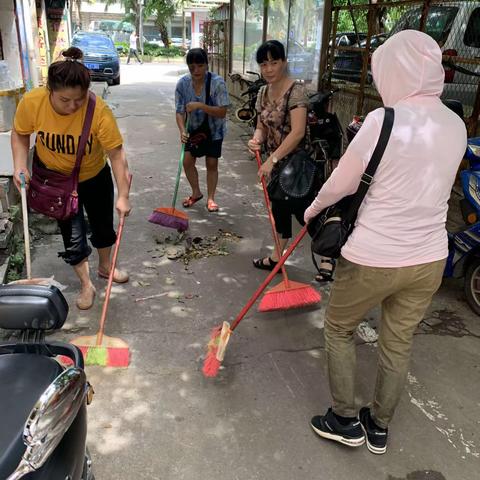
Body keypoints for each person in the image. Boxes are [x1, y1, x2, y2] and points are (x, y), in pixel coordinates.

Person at [304, 30, 467, 454]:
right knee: (398, 341)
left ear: (397, 70)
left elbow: (342, 182)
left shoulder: (383, 120)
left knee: (339, 328)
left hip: (373, 257)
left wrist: (312, 209)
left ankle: (342, 418)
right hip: (429, 257)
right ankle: (378, 426)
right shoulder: (456, 122)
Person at [11, 47, 132, 310]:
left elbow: (116, 153)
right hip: (56, 180)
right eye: (65, 100)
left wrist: (123, 195)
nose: (73, 106)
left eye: (79, 99)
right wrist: (20, 165)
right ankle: (86, 285)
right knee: (73, 235)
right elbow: (20, 133)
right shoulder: (33, 103)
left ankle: (105, 265)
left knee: (103, 227)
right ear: (49, 90)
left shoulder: (98, 111)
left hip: (93, 175)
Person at [248, 40, 330, 275]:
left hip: (298, 166)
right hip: (276, 165)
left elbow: (297, 133)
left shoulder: (296, 91)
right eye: (264, 64)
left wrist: (271, 160)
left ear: (284, 62)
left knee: (305, 211)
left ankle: (327, 255)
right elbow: (261, 125)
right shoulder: (263, 91)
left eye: (274, 62)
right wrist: (256, 140)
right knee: (279, 210)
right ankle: (277, 257)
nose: (269, 69)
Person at [175, 48, 229, 212]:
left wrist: (200, 105)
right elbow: (179, 111)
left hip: (214, 130)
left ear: (207, 64)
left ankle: (211, 198)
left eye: (200, 66)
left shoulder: (217, 83)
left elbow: (222, 112)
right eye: (192, 67)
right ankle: (196, 192)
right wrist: (182, 130)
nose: (196, 70)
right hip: (193, 129)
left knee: (212, 163)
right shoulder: (183, 84)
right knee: (187, 161)